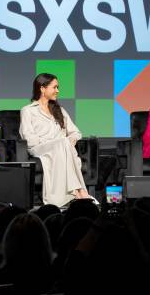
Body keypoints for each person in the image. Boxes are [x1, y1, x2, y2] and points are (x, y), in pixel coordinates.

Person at [19, 73, 94, 206]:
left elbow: (76, 132)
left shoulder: (60, 110)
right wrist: (53, 143)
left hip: (62, 148)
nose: (57, 91)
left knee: (63, 143)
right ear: (42, 88)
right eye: (54, 87)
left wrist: (71, 140)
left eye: (57, 87)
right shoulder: (28, 111)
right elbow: (28, 137)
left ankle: (76, 192)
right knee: (62, 144)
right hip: (39, 148)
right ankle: (78, 190)